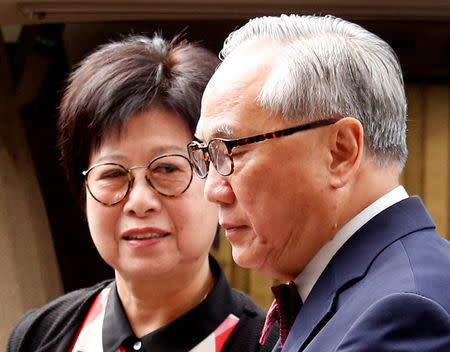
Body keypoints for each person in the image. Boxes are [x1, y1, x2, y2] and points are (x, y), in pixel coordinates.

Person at [188, 14, 450, 352]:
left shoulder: (401, 313)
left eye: (230, 150)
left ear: (340, 152)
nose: (212, 190)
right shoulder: (367, 288)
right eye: (206, 154)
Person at [7, 34, 278, 352]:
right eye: (113, 174)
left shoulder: (274, 346)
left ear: (217, 181)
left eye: (167, 169)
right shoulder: (39, 336)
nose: (139, 203)